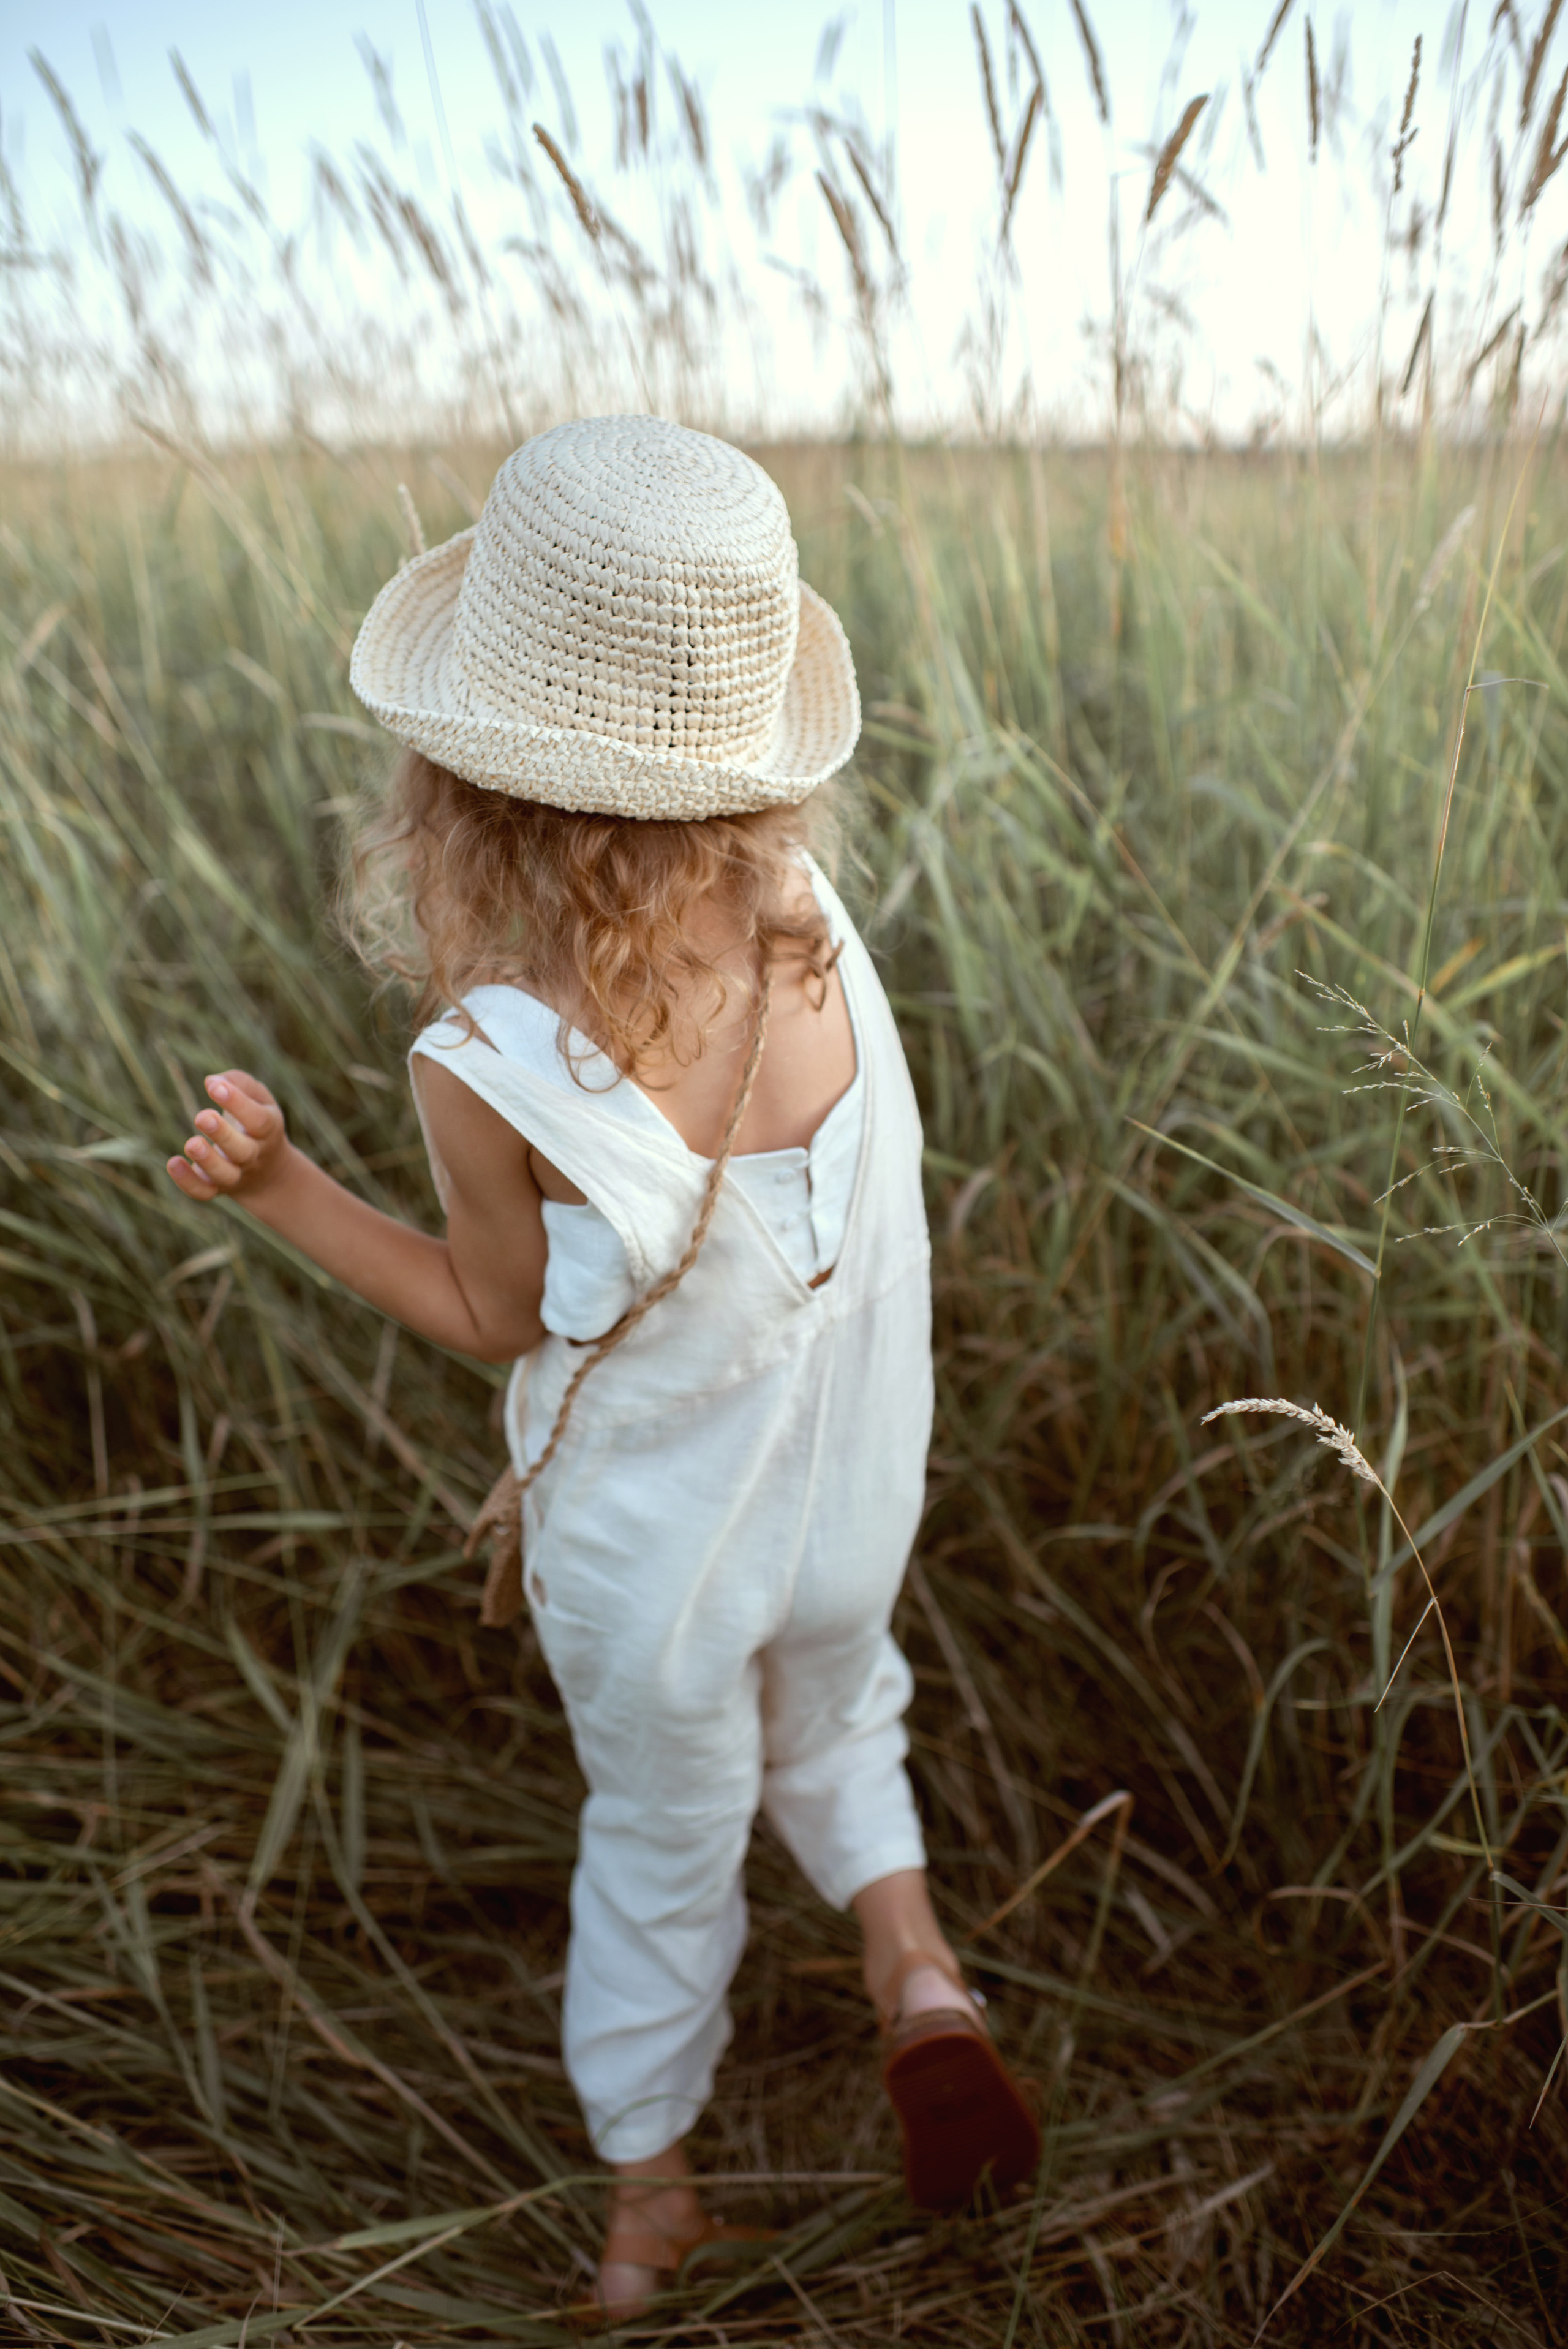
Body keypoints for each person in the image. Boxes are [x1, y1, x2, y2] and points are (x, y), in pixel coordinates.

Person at [164, 415, 1038, 2318]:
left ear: (472, 777)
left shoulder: (491, 1056)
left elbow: (494, 1311)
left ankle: (654, 2194)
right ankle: (920, 1973)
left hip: (658, 1564)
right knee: (840, 1700)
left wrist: (286, 1183)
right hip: (848, 1493)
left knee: (662, 1834)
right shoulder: (817, 931)